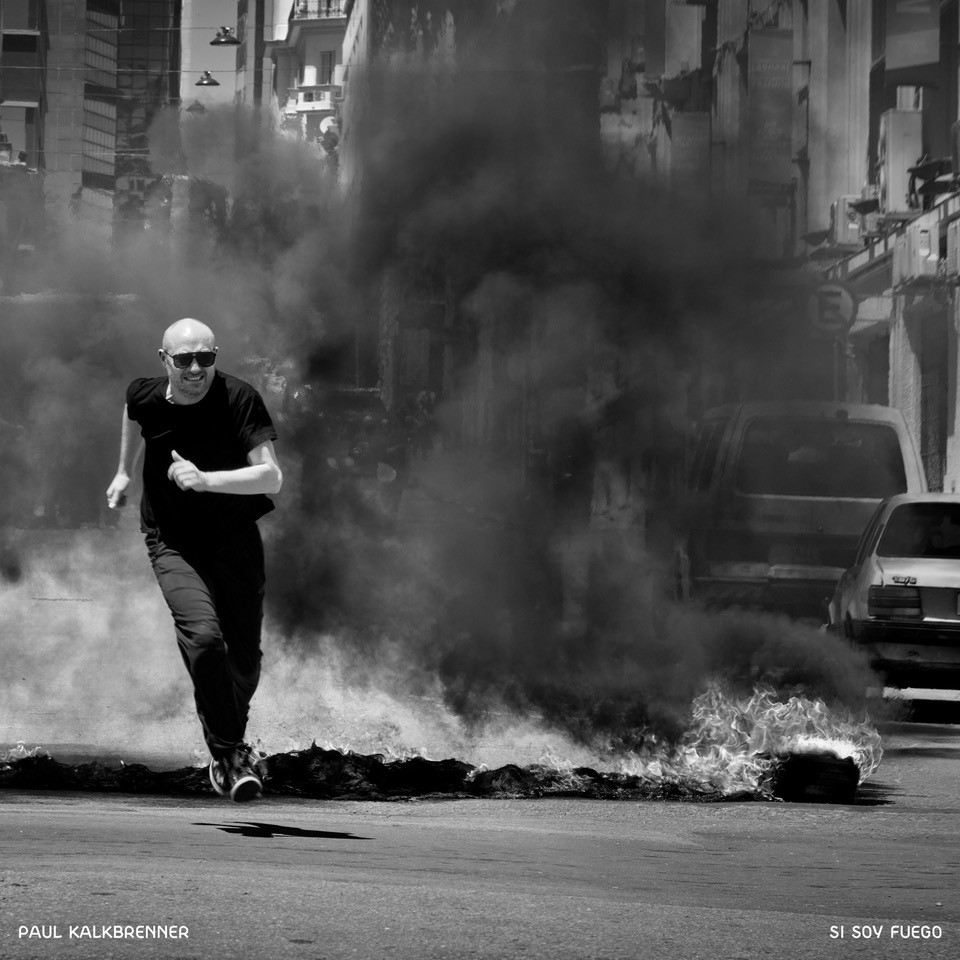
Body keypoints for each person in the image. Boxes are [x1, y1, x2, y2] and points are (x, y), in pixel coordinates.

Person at [105, 318, 282, 803]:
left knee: (244, 668)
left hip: (234, 540)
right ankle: (229, 756)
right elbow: (132, 411)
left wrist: (206, 481)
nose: (196, 369)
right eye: (184, 360)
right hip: (174, 542)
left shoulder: (239, 398)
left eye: (206, 358)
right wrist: (123, 472)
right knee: (205, 640)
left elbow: (271, 477)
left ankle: (229, 740)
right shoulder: (146, 395)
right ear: (165, 361)